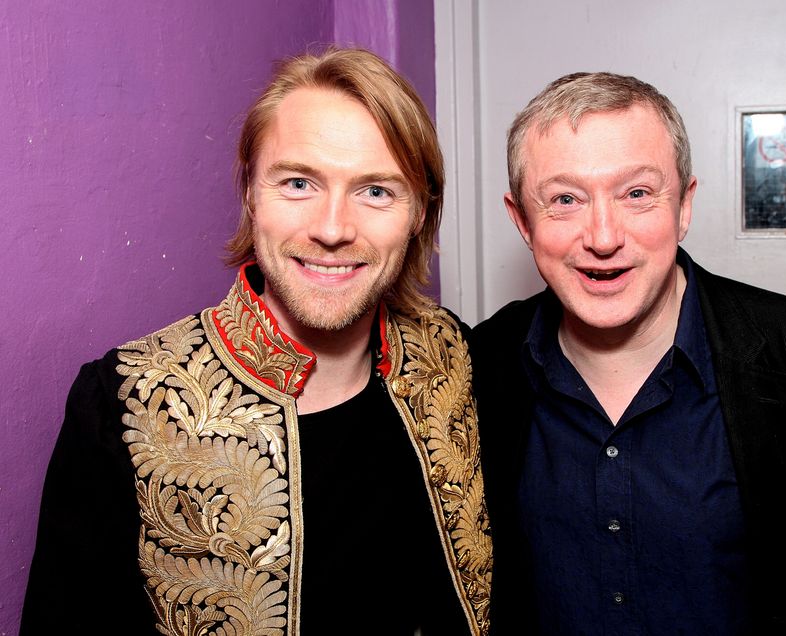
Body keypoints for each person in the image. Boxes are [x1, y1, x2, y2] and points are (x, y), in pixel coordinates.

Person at [21, 48, 491, 636]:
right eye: (298, 182)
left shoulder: (453, 356)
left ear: (420, 213)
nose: (332, 229)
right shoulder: (125, 404)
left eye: (376, 191)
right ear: (250, 192)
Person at [473, 71, 786, 635]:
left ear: (684, 206)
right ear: (522, 220)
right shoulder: (479, 366)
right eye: (564, 199)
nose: (602, 236)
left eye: (637, 194)